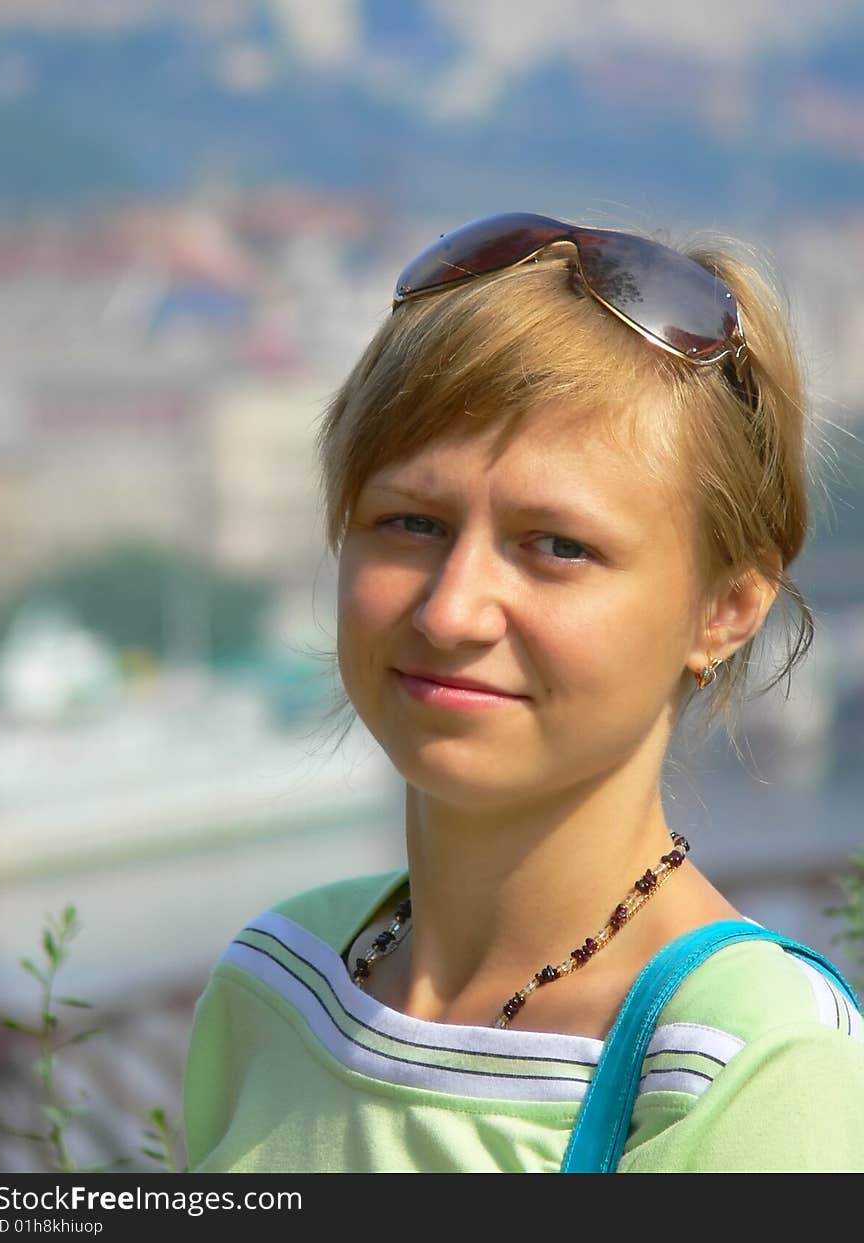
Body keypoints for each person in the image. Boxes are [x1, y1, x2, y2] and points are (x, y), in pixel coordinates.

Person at [182, 211, 864, 1173]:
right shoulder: (279, 977)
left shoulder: (748, 1066)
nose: (452, 611)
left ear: (724, 608)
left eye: (557, 546)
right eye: (410, 521)